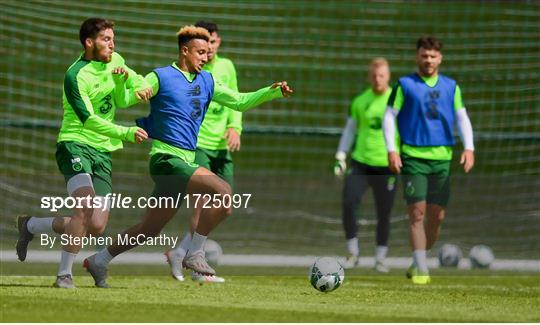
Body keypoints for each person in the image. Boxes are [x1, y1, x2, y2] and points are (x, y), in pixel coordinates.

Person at [83, 25, 293, 288]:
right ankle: (194, 253)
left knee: (149, 228)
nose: (206, 57)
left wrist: (271, 91)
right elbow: (126, 99)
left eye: (208, 52)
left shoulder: (207, 80)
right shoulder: (160, 76)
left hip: (185, 161)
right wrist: (121, 78)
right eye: (201, 52)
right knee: (224, 193)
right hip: (165, 160)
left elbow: (240, 101)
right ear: (185, 51)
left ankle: (99, 260)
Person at [15, 18, 152, 288]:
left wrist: (135, 87)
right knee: (85, 206)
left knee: (97, 224)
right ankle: (64, 275)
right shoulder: (75, 75)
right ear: (89, 43)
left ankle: (30, 225)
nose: (112, 44)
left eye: (113, 39)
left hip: (102, 150)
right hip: (74, 144)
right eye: (105, 39)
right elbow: (88, 120)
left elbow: (125, 95)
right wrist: (125, 132)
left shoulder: (116, 60)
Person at [383, 36, 475, 284]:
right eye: (424, 55)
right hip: (413, 156)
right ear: (417, 57)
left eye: (433, 56)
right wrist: (392, 149)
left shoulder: (451, 87)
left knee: (437, 218)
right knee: (416, 213)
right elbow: (389, 117)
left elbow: (462, 117)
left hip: (442, 158)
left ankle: (418, 258)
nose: (428, 60)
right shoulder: (404, 84)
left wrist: (469, 148)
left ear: (440, 58)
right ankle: (422, 268)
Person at [165, 20, 241, 284]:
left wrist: (235, 127)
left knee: (225, 206)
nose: (209, 47)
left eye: (214, 41)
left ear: (218, 42)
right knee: (199, 207)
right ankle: (198, 270)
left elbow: (235, 98)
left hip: (221, 147)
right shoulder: (189, 70)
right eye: (205, 42)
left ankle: (179, 252)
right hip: (197, 145)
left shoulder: (227, 67)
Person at [334, 58, 397, 273]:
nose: (378, 80)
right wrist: (341, 154)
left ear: (388, 77)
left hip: (387, 164)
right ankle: (352, 253)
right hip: (360, 163)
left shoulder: (397, 100)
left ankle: (380, 258)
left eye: (382, 75)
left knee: (384, 212)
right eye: (374, 75)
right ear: (369, 77)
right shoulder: (361, 101)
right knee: (349, 202)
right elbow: (350, 130)